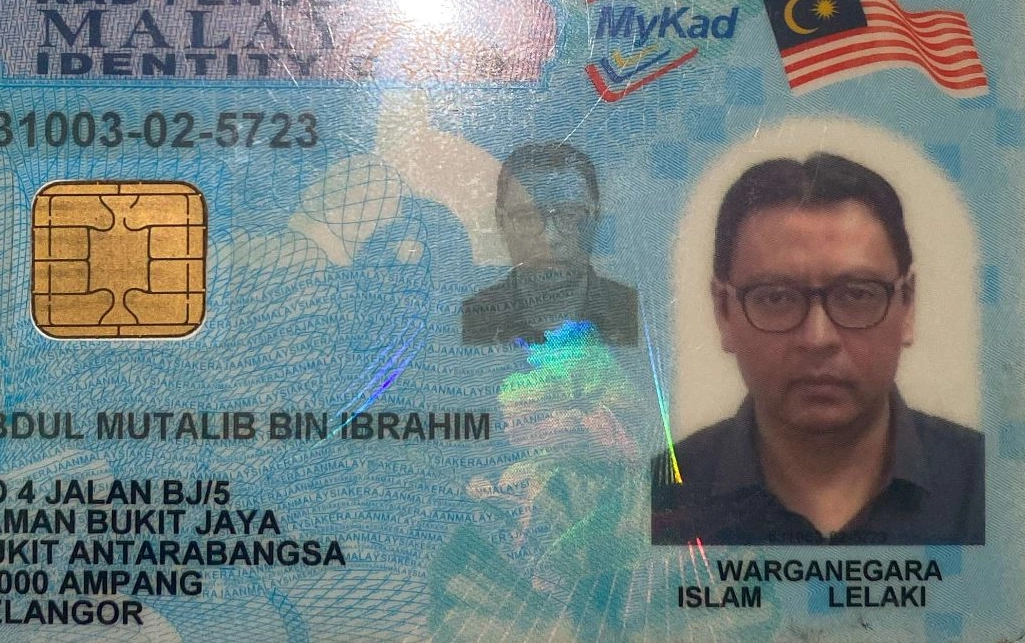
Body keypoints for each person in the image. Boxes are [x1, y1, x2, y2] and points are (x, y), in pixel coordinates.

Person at [651, 153, 984, 545]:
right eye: (776, 297)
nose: (817, 339)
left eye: (857, 294)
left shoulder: (990, 488)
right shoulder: (657, 499)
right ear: (724, 312)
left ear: (907, 306)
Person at [461, 143, 637, 345]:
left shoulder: (634, 312)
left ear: (595, 217)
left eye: (570, 215)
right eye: (528, 218)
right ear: (501, 222)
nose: (550, 238)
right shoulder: (472, 319)